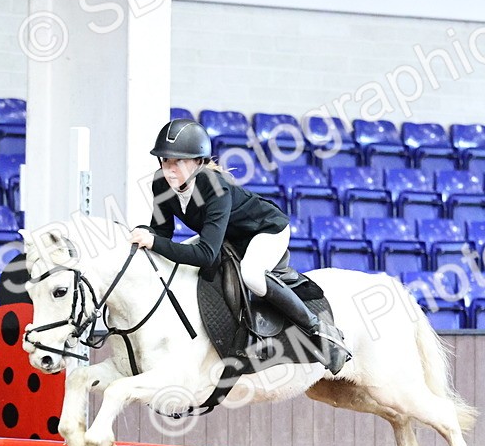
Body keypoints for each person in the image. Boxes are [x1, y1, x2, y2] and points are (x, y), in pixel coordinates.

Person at [128, 118, 350, 374]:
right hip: (227, 237)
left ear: (198, 162)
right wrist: (147, 234)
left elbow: (206, 255)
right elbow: (163, 232)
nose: (170, 168)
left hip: (265, 230)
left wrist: (155, 241)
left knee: (252, 275)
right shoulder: (160, 184)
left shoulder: (214, 186)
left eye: (178, 161)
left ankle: (319, 330)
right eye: (165, 160)